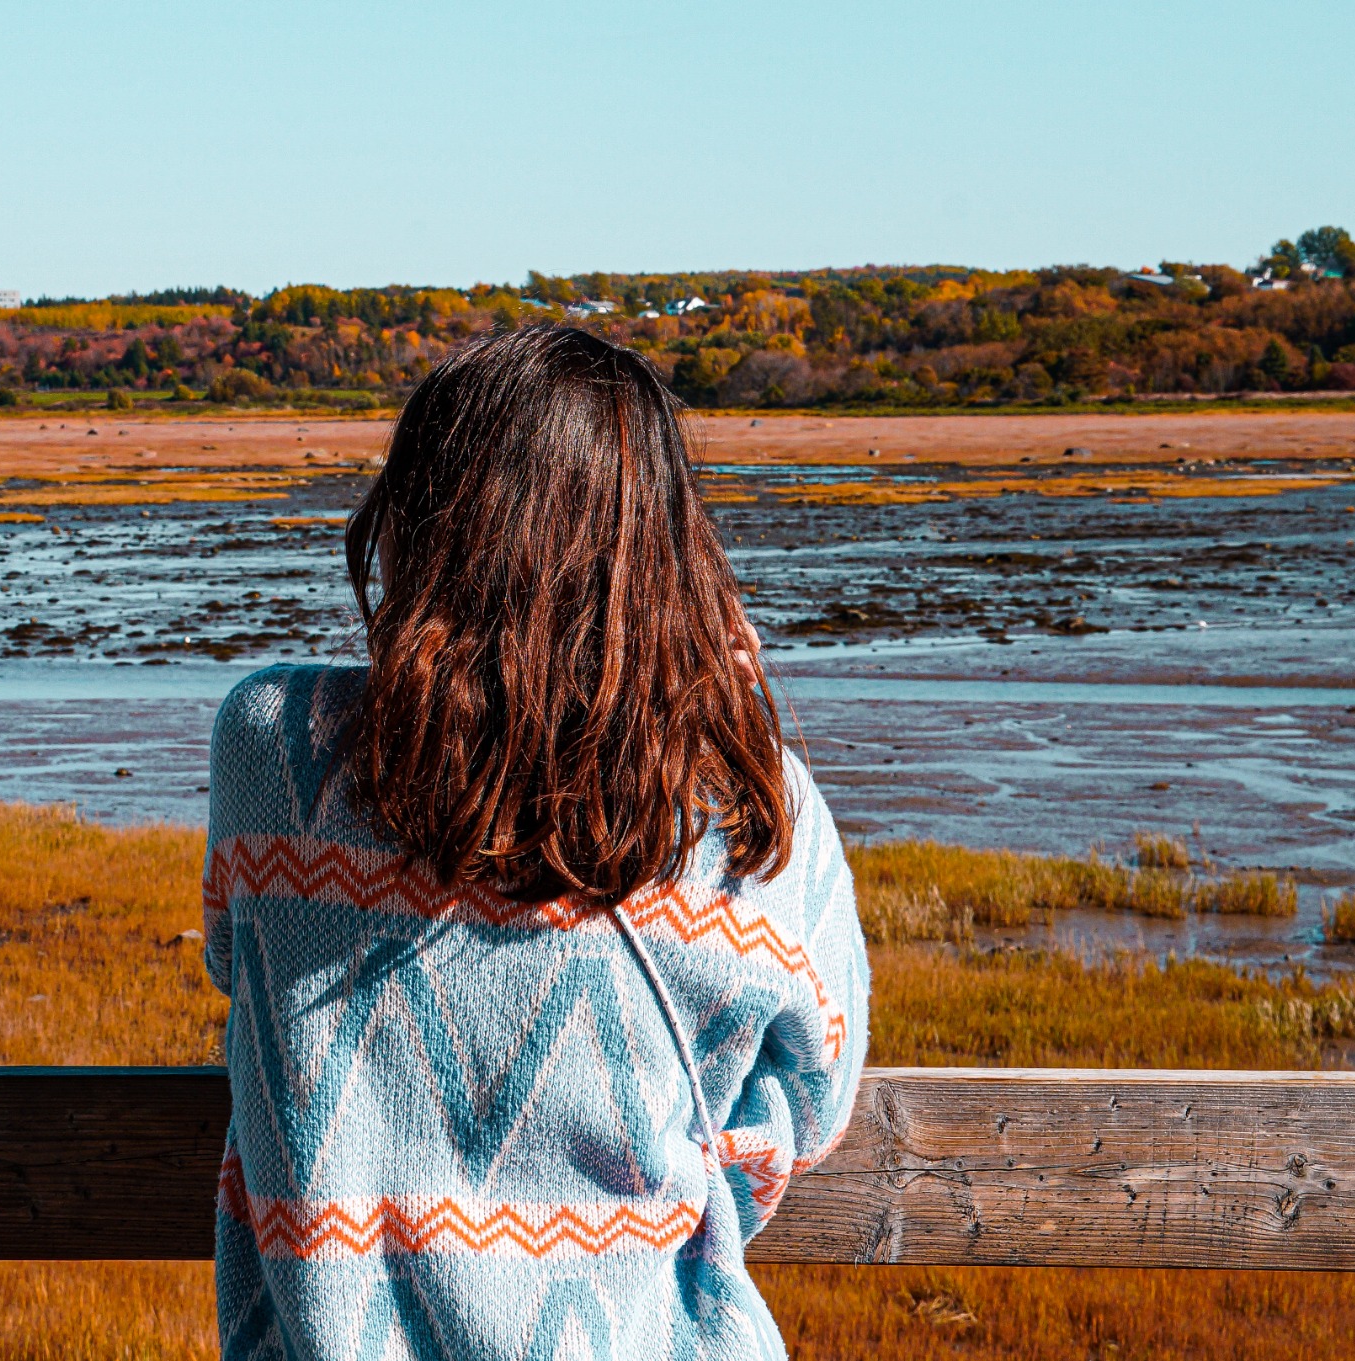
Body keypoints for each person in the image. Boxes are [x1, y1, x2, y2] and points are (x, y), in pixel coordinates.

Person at [203, 326, 868, 1360]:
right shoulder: (741, 798)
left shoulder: (275, 748)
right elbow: (817, 1089)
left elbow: (230, 960)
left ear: (421, 523)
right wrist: (726, 695)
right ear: (666, 542)